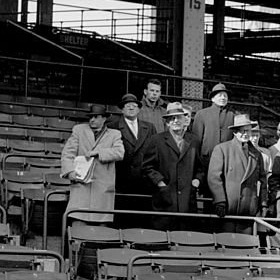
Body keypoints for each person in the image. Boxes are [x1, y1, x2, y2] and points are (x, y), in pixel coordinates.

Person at [61, 102, 125, 225]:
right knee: (77, 224)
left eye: (96, 117)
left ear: (104, 118)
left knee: (101, 229)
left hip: (103, 187)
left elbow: (119, 153)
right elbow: (67, 154)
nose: (92, 120)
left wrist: (98, 153)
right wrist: (70, 172)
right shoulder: (79, 130)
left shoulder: (114, 134)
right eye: (90, 117)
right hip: (81, 185)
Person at [208, 114, 267, 232]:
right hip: (228, 209)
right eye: (241, 131)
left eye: (248, 130)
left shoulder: (257, 154)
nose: (245, 133)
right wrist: (220, 201)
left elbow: (263, 181)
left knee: (246, 246)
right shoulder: (222, 149)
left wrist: (263, 204)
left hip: (248, 209)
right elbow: (214, 178)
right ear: (234, 132)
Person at [111, 92, 161, 227]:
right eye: (127, 106)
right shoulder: (113, 126)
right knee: (123, 218)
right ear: (122, 109)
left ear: (139, 109)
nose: (131, 108)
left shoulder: (149, 127)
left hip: (144, 180)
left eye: (134, 105)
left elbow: (156, 151)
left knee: (142, 219)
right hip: (122, 180)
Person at [153, 102, 203, 217]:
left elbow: (200, 167)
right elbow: (148, 167)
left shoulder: (194, 141)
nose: (176, 121)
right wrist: (160, 183)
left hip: (187, 201)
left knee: (186, 232)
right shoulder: (156, 140)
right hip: (164, 199)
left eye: (179, 117)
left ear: (184, 119)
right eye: (172, 118)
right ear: (167, 122)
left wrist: (196, 181)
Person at [191, 82, 234, 164]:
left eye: (225, 96)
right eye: (220, 95)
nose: (223, 98)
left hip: (227, 158)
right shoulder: (202, 114)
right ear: (212, 99)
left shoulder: (231, 115)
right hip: (206, 158)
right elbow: (196, 139)